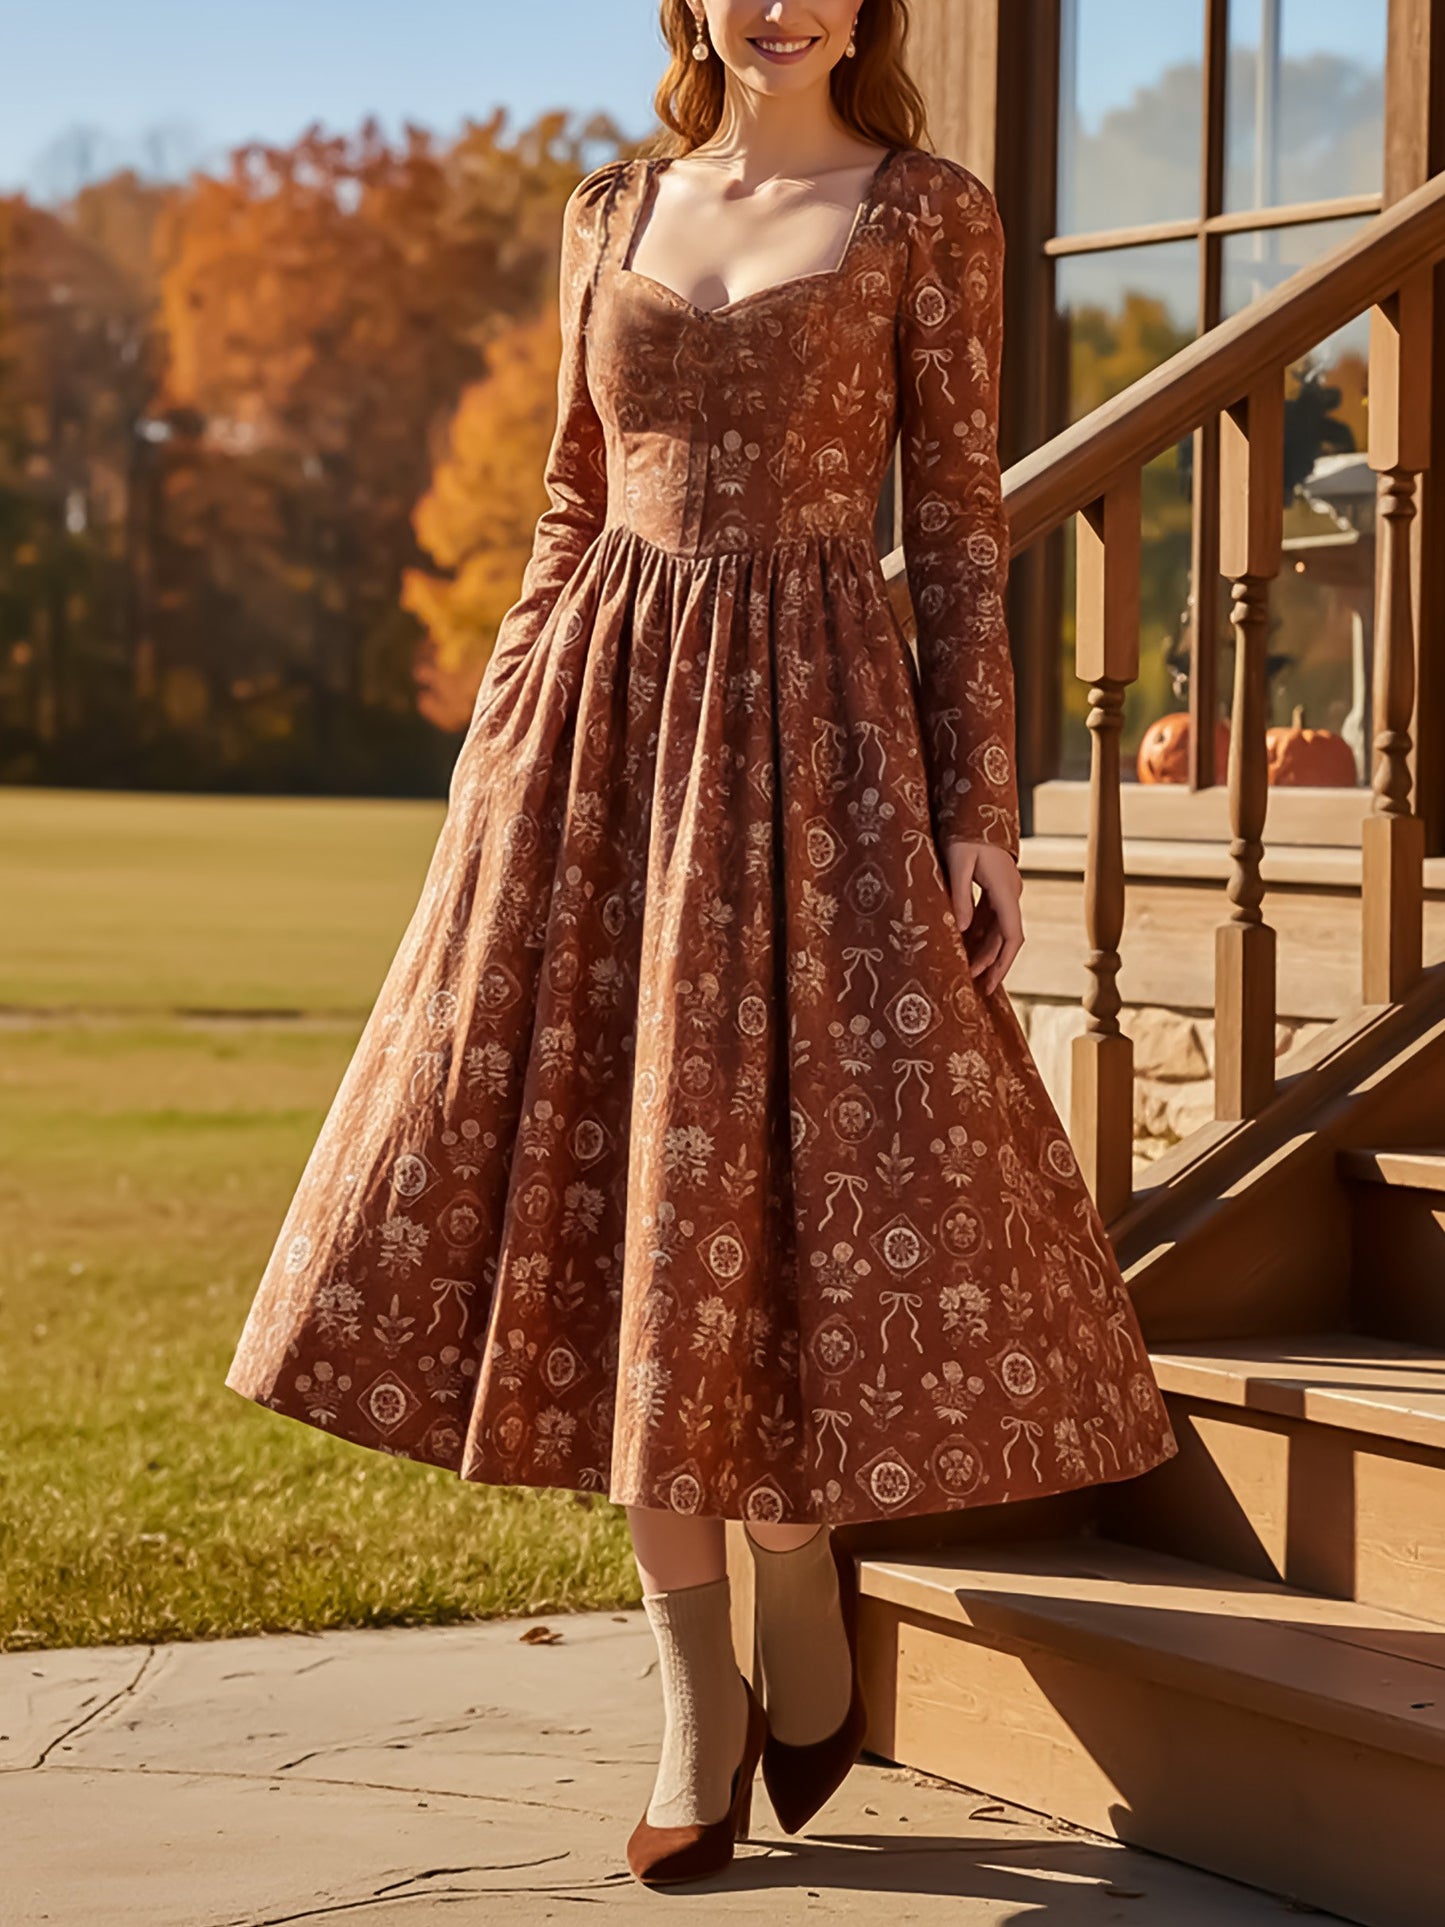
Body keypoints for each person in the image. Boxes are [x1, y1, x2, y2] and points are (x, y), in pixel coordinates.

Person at [226, 0, 1179, 1889]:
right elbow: (568, 505)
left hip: (820, 739)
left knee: (791, 1199)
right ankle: (693, 1705)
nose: (781, 2)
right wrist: (498, 737)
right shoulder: (605, 208)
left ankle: (797, 1564)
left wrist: (976, 807)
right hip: (596, 747)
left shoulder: (932, 213)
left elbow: (962, 529)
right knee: (623, 1211)